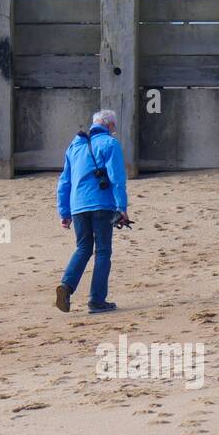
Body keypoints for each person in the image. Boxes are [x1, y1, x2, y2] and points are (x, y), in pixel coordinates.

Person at [55, 110, 129, 314]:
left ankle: (66, 286)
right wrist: (122, 207)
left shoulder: (74, 147)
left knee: (83, 248)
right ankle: (96, 301)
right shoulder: (110, 143)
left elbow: (64, 182)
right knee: (103, 251)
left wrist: (64, 212)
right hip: (101, 205)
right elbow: (117, 178)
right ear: (110, 126)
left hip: (77, 206)